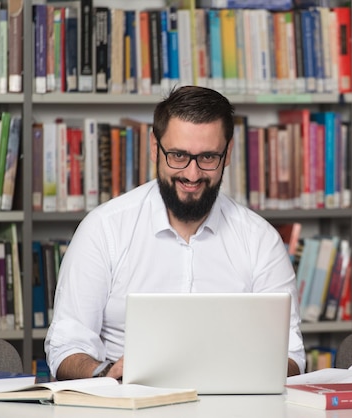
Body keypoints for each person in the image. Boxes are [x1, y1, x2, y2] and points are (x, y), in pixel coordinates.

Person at [44, 86, 305, 380]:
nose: (192, 175)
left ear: (227, 153)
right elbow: (66, 346)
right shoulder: (103, 230)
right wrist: (105, 373)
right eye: (178, 156)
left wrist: (246, 373)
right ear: (155, 148)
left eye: (208, 158)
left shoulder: (261, 240)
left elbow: (291, 355)